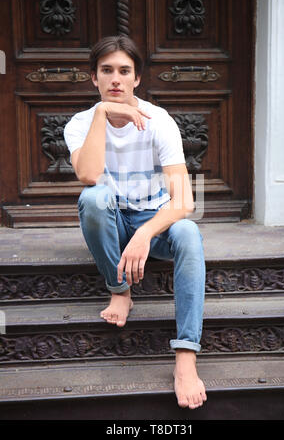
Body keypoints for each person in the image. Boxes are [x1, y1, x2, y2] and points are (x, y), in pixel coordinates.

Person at [64, 35, 207, 410]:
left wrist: (146, 232)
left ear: (137, 78)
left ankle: (186, 356)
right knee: (93, 198)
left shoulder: (159, 121)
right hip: (110, 219)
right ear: (93, 78)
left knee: (189, 233)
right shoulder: (79, 124)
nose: (115, 79)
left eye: (124, 71)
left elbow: (185, 201)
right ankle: (120, 289)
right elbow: (90, 176)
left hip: (152, 220)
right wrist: (101, 115)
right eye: (106, 70)